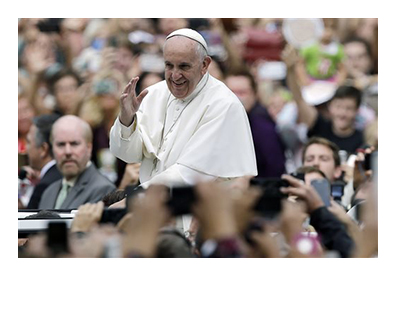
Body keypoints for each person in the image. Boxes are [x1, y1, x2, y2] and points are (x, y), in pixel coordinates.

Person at [109, 28, 257, 188]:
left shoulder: (224, 104)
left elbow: (190, 173)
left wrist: (136, 197)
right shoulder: (153, 94)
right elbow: (128, 155)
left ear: (204, 64)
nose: (175, 75)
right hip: (155, 203)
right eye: (169, 65)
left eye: (184, 66)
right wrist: (127, 121)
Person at [282, 44, 365, 155]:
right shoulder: (320, 126)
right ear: (330, 107)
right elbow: (299, 99)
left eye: (349, 108)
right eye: (338, 107)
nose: (342, 113)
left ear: (357, 110)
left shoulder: (362, 138)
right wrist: (291, 69)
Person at [39, 115, 116, 209]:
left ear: (89, 147)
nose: (68, 151)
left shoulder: (103, 190)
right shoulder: (49, 192)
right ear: (52, 148)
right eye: (61, 144)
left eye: (74, 144)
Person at [225, 71, 286, 178]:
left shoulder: (263, 127)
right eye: (231, 92)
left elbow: (275, 169)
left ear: (254, 94)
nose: (236, 97)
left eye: (242, 92)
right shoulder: (216, 121)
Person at [25, 114, 62, 208]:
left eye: (28, 142)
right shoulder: (64, 176)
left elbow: (30, 222)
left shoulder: (44, 186)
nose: (26, 148)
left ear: (43, 149)